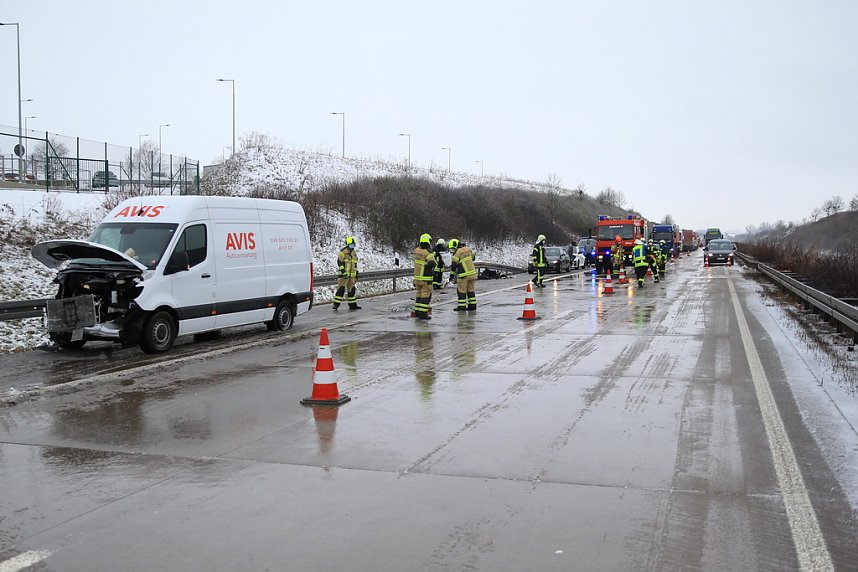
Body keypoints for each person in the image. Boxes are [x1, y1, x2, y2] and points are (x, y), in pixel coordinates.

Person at [333, 236, 361, 310]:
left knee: (352, 291)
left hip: (352, 276)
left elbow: (355, 264)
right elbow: (340, 263)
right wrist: (343, 271)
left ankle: (352, 305)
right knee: (341, 290)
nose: (353, 245)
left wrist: (356, 273)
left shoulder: (354, 253)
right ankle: (336, 305)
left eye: (353, 244)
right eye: (352, 244)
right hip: (344, 276)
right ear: (348, 244)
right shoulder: (343, 252)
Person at [413, 233, 436, 320]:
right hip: (426, 279)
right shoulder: (428, 252)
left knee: (419, 295)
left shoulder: (416, 250)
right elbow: (432, 263)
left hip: (417, 278)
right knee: (425, 296)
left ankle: (417, 312)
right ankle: (423, 314)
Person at [450, 238, 477, 311]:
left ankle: (462, 307)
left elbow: (454, 265)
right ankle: (472, 306)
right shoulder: (468, 249)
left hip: (464, 275)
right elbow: (473, 258)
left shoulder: (457, 252)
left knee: (461, 291)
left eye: (452, 248)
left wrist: (451, 275)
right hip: (472, 273)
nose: (452, 250)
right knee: (470, 290)